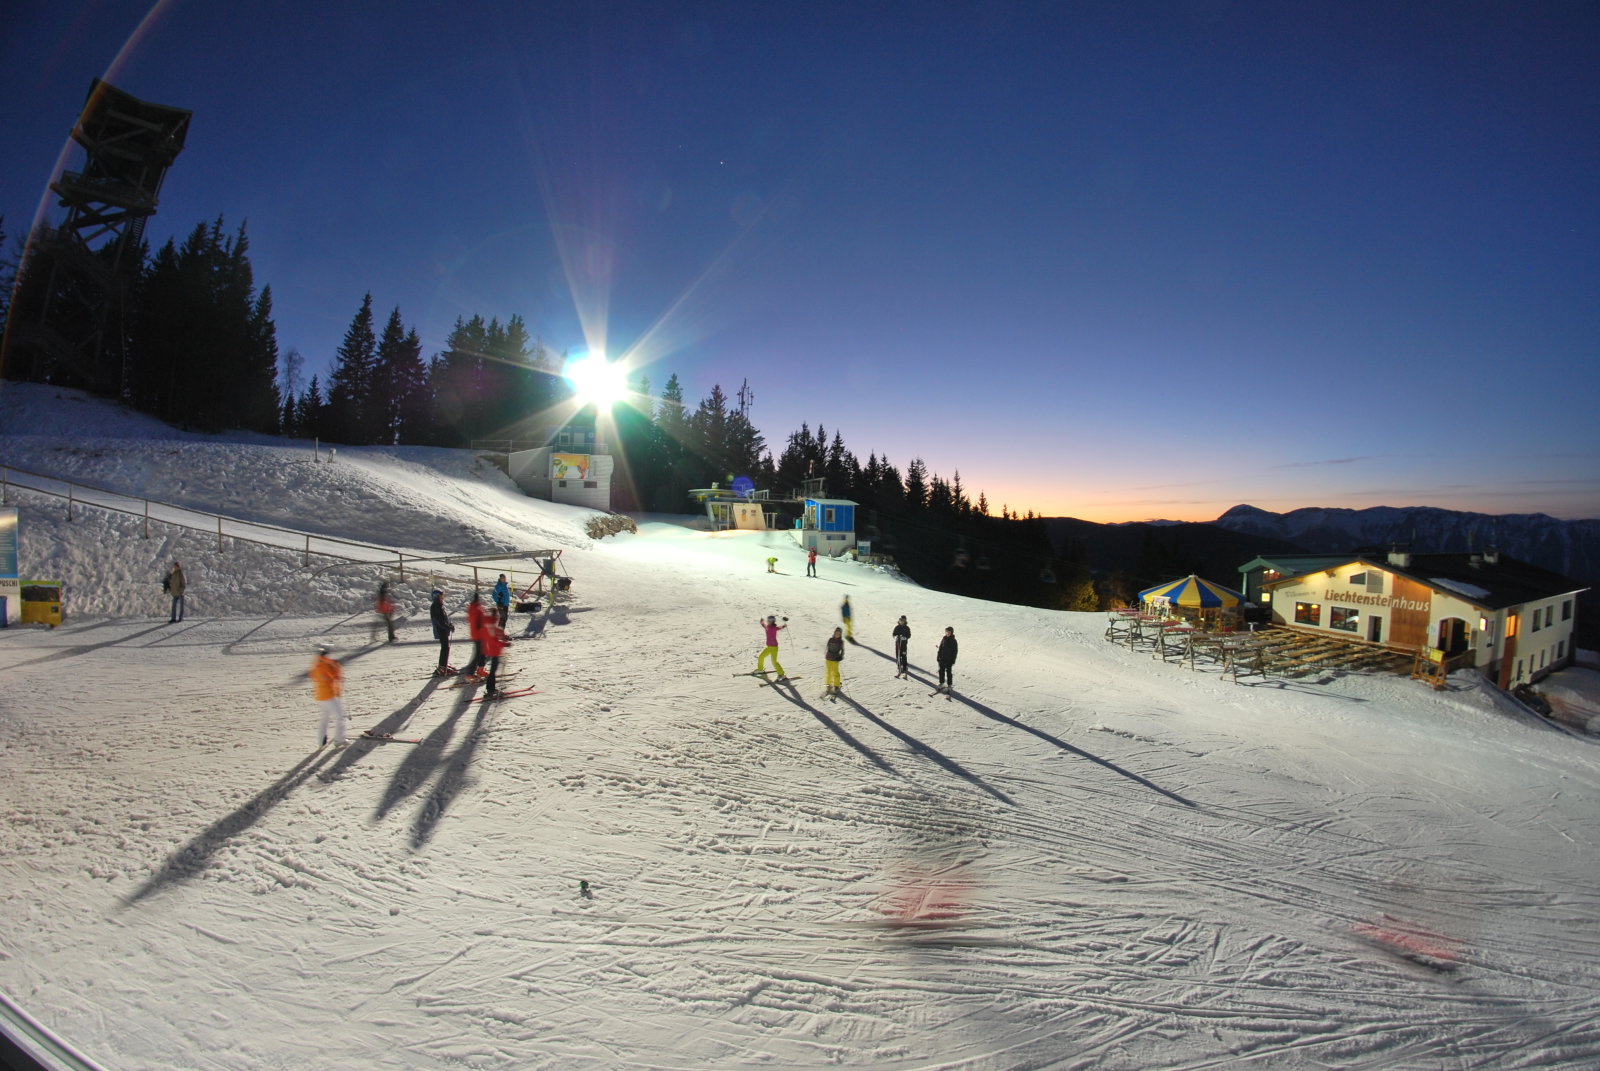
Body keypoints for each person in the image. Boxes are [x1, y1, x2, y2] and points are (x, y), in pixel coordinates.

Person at [309, 645, 348, 747]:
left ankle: (321, 741)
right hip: (329, 695)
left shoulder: (316, 664)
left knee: (325, 718)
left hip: (321, 696)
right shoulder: (325, 664)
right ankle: (339, 739)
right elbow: (333, 677)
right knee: (340, 717)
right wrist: (337, 668)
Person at [481, 617, 509, 698]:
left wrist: (504, 637)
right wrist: (505, 644)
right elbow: (494, 641)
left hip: (494, 651)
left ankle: (491, 688)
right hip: (494, 652)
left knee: (493, 670)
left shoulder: (491, 626)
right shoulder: (491, 627)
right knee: (492, 671)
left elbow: (497, 635)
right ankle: (490, 689)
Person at [463, 591, 489, 678]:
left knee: (481, 653)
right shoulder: (477, 609)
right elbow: (480, 622)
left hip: (476, 634)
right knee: (479, 654)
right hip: (479, 634)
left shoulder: (472, 608)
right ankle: (471, 672)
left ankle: (480, 669)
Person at [429, 589, 455, 676]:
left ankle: (444, 665)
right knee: (445, 648)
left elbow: (445, 619)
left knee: (446, 647)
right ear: (436, 597)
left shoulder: (439, 606)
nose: (442, 598)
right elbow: (440, 621)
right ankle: (441, 667)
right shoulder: (436, 606)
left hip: (443, 629)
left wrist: (450, 624)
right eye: (441, 596)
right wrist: (448, 627)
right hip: (441, 630)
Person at [936, 626, 959, 694]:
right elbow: (940, 648)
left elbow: (955, 652)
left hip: (949, 660)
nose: (947, 633)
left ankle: (949, 684)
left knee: (949, 672)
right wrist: (938, 656)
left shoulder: (954, 641)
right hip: (942, 658)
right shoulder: (944, 638)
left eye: (949, 632)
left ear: (951, 633)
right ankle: (941, 683)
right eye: (946, 632)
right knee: (941, 671)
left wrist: (953, 660)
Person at [824, 626, 845, 696]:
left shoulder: (841, 641)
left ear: (840, 634)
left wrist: (840, 656)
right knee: (829, 672)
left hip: (835, 659)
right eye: (836, 633)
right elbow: (827, 647)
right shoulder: (830, 639)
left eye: (839, 633)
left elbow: (842, 650)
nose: (837, 634)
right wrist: (827, 655)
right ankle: (828, 684)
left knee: (835, 673)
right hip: (828, 658)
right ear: (834, 633)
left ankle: (836, 686)